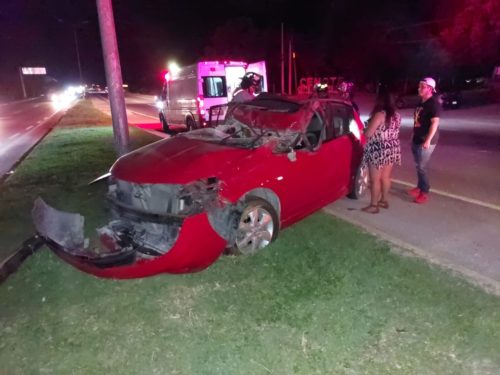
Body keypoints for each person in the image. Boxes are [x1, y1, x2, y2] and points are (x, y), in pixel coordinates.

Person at [361, 90, 402, 214]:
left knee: (375, 179)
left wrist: (364, 129)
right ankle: (383, 200)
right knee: (385, 177)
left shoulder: (379, 115)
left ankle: (374, 205)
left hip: (378, 148)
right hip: (392, 147)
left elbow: (368, 133)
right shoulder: (397, 115)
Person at [409, 77, 441, 204]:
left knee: (422, 166)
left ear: (430, 89)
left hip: (426, 140)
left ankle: (424, 191)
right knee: (418, 165)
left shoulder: (433, 104)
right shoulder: (421, 103)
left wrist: (428, 140)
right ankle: (419, 187)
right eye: (419, 85)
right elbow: (417, 121)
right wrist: (413, 135)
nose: (419, 88)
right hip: (417, 138)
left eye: (422, 86)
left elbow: (435, 123)